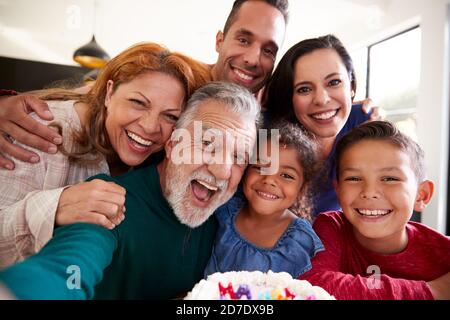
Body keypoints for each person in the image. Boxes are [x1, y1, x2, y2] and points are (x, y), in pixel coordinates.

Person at [0, 0, 381, 170]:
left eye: (268, 49)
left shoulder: (270, 113)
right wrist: (9, 103)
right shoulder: (182, 79)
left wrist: (358, 111)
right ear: (220, 40)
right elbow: (95, 95)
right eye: (243, 40)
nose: (253, 58)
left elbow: (315, 126)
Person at [0, 81, 260, 299]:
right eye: (207, 143)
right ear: (172, 145)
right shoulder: (109, 201)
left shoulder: (227, 217)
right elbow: (68, 266)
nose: (223, 171)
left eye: (239, 157)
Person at [0, 42, 211, 268]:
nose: (150, 127)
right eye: (138, 103)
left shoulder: (163, 158)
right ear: (110, 93)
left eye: (170, 116)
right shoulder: (41, 131)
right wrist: (54, 207)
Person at [299, 121, 450, 300]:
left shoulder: (444, 252)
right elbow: (312, 286)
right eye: (354, 178)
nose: (369, 192)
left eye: (389, 178)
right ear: (338, 190)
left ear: (421, 195)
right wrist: (433, 291)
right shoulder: (332, 227)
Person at [264, 34, 372, 215]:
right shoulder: (266, 133)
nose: (322, 100)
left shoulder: (363, 123)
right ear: (289, 97)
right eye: (304, 89)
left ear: (351, 86)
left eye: (334, 82)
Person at [204, 121, 324, 278]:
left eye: (286, 175)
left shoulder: (299, 243)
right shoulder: (224, 208)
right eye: (260, 167)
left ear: (301, 189)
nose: (269, 180)